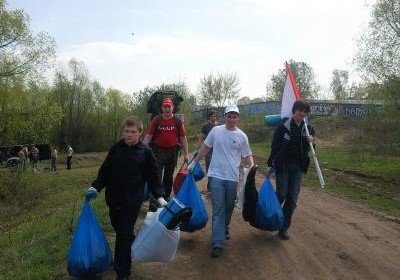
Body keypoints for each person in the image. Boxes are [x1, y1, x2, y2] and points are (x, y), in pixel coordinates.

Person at [86, 116, 167, 280]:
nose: (129, 134)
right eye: (126, 131)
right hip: (114, 199)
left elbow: (153, 177)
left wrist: (159, 196)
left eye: (133, 132)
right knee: (121, 231)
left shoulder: (145, 153)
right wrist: (95, 187)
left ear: (139, 133)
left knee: (123, 235)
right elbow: (105, 171)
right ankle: (131, 246)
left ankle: (122, 271)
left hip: (132, 201)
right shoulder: (116, 148)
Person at [189, 104, 254, 258]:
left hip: (232, 177)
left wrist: (252, 166)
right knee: (218, 208)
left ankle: (224, 228)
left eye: (234, 116)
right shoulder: (216, 131)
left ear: (238, 118)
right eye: (229, 116)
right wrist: (194, 162)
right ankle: (217, 242)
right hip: (216, 175)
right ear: (224, 116)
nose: (232, 119)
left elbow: (247, 154)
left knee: (229, 206)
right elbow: (205, 148)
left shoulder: (242, 136)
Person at [266, 100, 315, 240]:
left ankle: (283, 227)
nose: (302, 113)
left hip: (298, 167)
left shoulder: (308, 128)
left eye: (305, 112)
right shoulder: (283, 126)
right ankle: (271, 215)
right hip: (283, 166)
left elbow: (311, 149)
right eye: (300, 110)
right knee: (281, 194)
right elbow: (275, 146)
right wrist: (271, 163)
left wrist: (311, 141)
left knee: (292, 198)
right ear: (294, 111)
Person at [143, 97, 189, 203]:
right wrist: (140, 149)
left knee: (168, 177)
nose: (167, 109)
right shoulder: (157, 120)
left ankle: (166, 198)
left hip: (172, 154)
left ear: (172, 108)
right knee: (156, 176)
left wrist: (186, 154)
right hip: (157, 153)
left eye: (169, 106)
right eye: (165, 106)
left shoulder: (177, 121)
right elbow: (149, 136)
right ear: (162, 108)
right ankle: (155, 201)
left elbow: (183, 138)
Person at [195, 109, 218, 193]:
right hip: (208, 151)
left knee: (217, 168)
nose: (213, 117)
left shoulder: (219, 126)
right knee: (210, 168)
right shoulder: (205, 126)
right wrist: (197, 149)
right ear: (209, 117)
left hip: (218, 151)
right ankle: (210, 187)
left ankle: (215, 187)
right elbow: (201, 137)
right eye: (212, 116)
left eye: (215, 116)